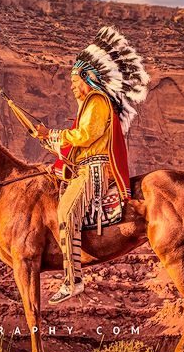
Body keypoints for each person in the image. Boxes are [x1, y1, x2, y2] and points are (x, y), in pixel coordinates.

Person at [33, 26, 150, 304]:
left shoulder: (97, 101)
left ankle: (72, 280)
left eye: (76, 80)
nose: (73, 86)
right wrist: (50, 141)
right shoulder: (88, 105)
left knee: (65, 212)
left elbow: (86, 136)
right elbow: (77, 143)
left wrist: (53, 135)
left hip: (94, 170)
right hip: (84, 165)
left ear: (88, 78)